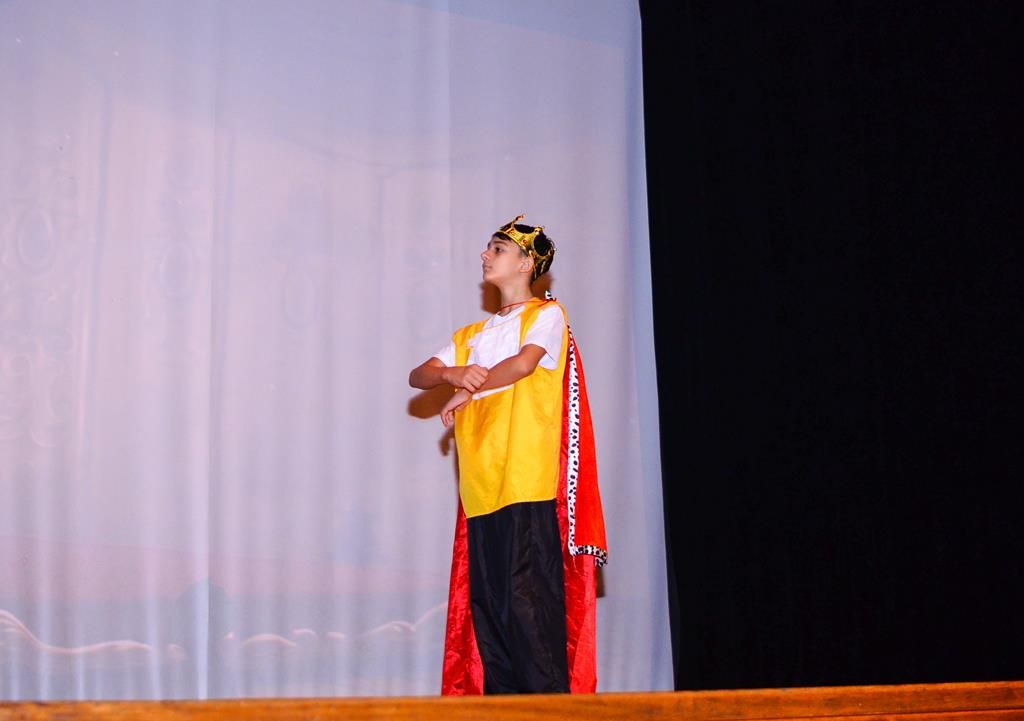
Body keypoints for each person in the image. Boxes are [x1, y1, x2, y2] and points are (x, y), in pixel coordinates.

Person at [408, 215, 607, 695]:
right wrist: (453, 376)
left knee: (527, 605)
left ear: (525, 263)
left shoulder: (546, 316)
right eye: (488, 247)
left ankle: (549, 709)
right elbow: (420, 375)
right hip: (481, 491)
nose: (485, 255)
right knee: (491, 609)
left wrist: (470, 385)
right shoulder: (471, 336)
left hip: (526, 482)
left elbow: (521, 365)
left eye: (497, 249)